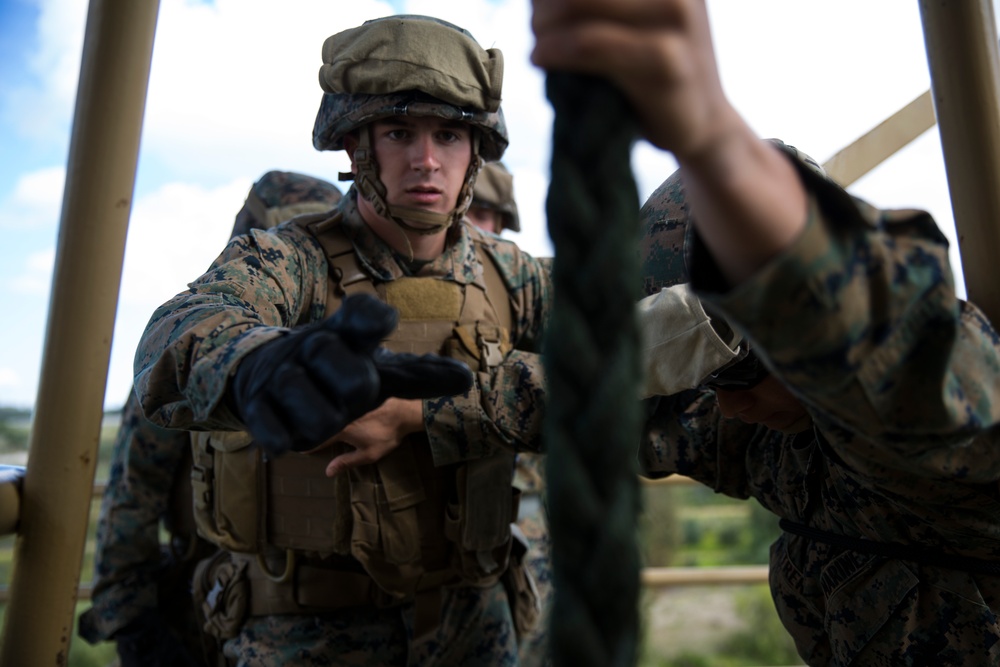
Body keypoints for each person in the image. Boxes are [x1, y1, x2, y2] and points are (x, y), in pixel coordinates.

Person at [532, 1, 1000, 665]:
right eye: (709, 376)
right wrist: (423, 408)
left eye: (740, 368)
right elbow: (587, 402)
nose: (728, 403)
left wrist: (714, 140)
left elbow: (878, 335)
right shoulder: (777, 439)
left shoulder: (934, 423)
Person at [132, 15, 551, 666]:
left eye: (448, 134)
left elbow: (617, 362)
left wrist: (424, 416)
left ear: (476, 150)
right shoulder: (289, 257)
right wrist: (260, 364)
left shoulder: (514, 275)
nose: (426, 159)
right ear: (355, 148)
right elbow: (180, 330)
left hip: (474, 620)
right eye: (398, 132)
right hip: (307, 628)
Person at [79, 171, 345, 666]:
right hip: (210, 610)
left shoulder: (345, 362)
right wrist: (134, 625)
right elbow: (132, 499)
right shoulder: (209, 353)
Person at [467, 160, 550, 666]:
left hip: (525, 520)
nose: (474, 228)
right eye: (466, 213)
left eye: (484, 214)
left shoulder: (524, 291)